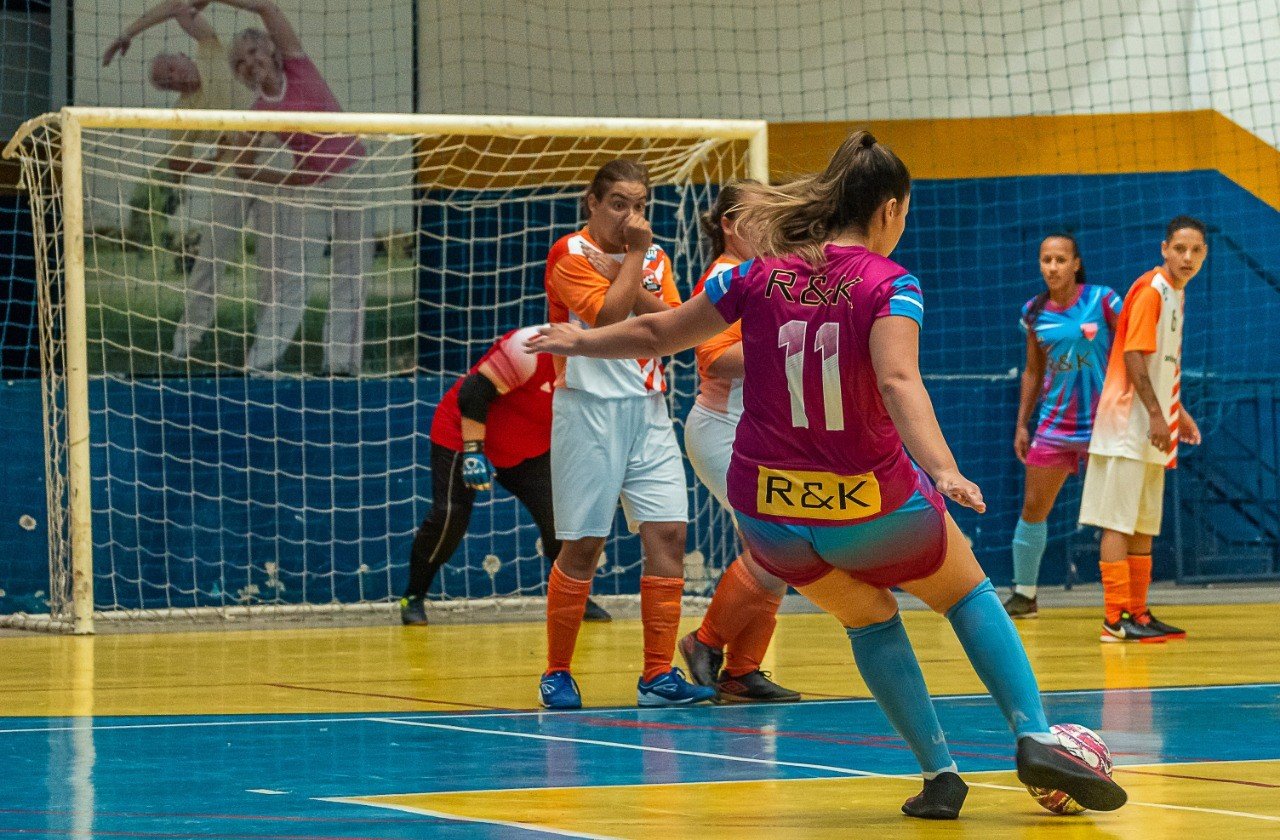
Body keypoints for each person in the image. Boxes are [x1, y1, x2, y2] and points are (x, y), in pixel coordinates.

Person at [529, 131, 1128, 819]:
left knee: (871, 621)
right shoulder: (890, 283)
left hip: (771, 514)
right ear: (890, 209)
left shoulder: (750, 274)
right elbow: (900, 381)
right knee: (967, 594)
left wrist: (579, 339)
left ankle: (940, 777)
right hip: (869, 500)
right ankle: (1032, 734)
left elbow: (655, 335)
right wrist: (944, 470)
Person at [537, 159, 715, 710]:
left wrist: (629, 270)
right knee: (585, 545)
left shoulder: (657, 257)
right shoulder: (569, 254)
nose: (631, 217)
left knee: (669, 536)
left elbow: (677, 323)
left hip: (649, 408)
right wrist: (634, 262)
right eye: (618, 203)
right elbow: (609, 321)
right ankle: (557, 671)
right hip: (587, 409)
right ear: (591, 202)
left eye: (640, 205)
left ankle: (657, 676)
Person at [194, 0, 372, 376]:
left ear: (271, 49)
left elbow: (266, 8)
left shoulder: (298, 63)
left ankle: (341, 365)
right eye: (240, 61)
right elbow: (243, 168)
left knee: (352, 272)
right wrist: (290, 179)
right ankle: (260, 363)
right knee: (295, 275)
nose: (250, 62)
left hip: (354, 174)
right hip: (311, 188)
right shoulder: (258, 112)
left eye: (254, 51)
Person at [676, 183, 799, 702]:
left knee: (774, 549)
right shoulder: (726, 277)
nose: (769, 227)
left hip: (754, 430)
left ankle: (742, 671)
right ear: (728, 223)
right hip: (723, 428)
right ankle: (704, 642)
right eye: (757, 216)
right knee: (782, 545)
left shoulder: (764, 276)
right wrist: (786, 349)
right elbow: (712, 359)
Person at [399, 326, 611, 626]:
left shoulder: (610, 366)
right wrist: (473, 452)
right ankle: (413, 596)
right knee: (450, 516)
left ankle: (572, 597)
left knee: (562, 519)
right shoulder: (531, 346)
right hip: (464, 434)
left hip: (529, 448)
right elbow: (474, 390)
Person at [103, 0, 256, 361]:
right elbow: (177, 167)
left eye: (171, 67)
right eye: (164, 81)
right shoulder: (184, 113)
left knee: (278, 261)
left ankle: (266, 353)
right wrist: (218, 159)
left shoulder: (211, 50)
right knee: (210, 260)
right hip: (232, 176)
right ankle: (185, 344)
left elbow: (177, 6)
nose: (172, 77)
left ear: (187, 56)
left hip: (272, 155)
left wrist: (128, 33)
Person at [1080, 216, 1207, 642]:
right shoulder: (1152, 290)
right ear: (1164, 249)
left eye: (1196, 251)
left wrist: (1176, 411)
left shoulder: (1176, 294)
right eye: (1180, 249)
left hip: (1151, 425)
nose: (1187, 257)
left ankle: (1138, 613)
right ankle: (1114, 620)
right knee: (1117, 522)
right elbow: (1134, 354)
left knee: (1142, 524)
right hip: (1124, 427)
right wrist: (1157, 414)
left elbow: (1158, 364)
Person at [1004, 235, 1122, 618]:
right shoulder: (1034, 312)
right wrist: (1023, 424)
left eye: (1060, 259)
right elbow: (1034, 372)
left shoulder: (1103, 300)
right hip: (1054, 427)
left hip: (1105, 426)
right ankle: (1024, 595)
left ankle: (1122, 605)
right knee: (1034, 508)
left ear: (1076, 264)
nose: (1052, 267)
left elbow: (1132, 352)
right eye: (1046, 260)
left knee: (1114, 516)